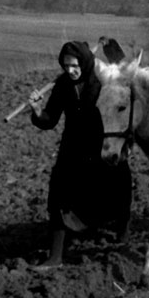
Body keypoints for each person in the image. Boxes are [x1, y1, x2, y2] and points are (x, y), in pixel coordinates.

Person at [28, 40, 132, 269]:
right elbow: (50, 120)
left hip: (101, 146)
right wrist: (37, 111)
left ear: (85, 62)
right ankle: (55, 257)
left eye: (74, 65)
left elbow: (121, 111)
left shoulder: (102, 83)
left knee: (118, 189)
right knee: (59, 196)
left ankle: (123, 235)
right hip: (72, 148)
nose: (70, 70)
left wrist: (123, 142)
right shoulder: (63, 85)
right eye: (65, 66)